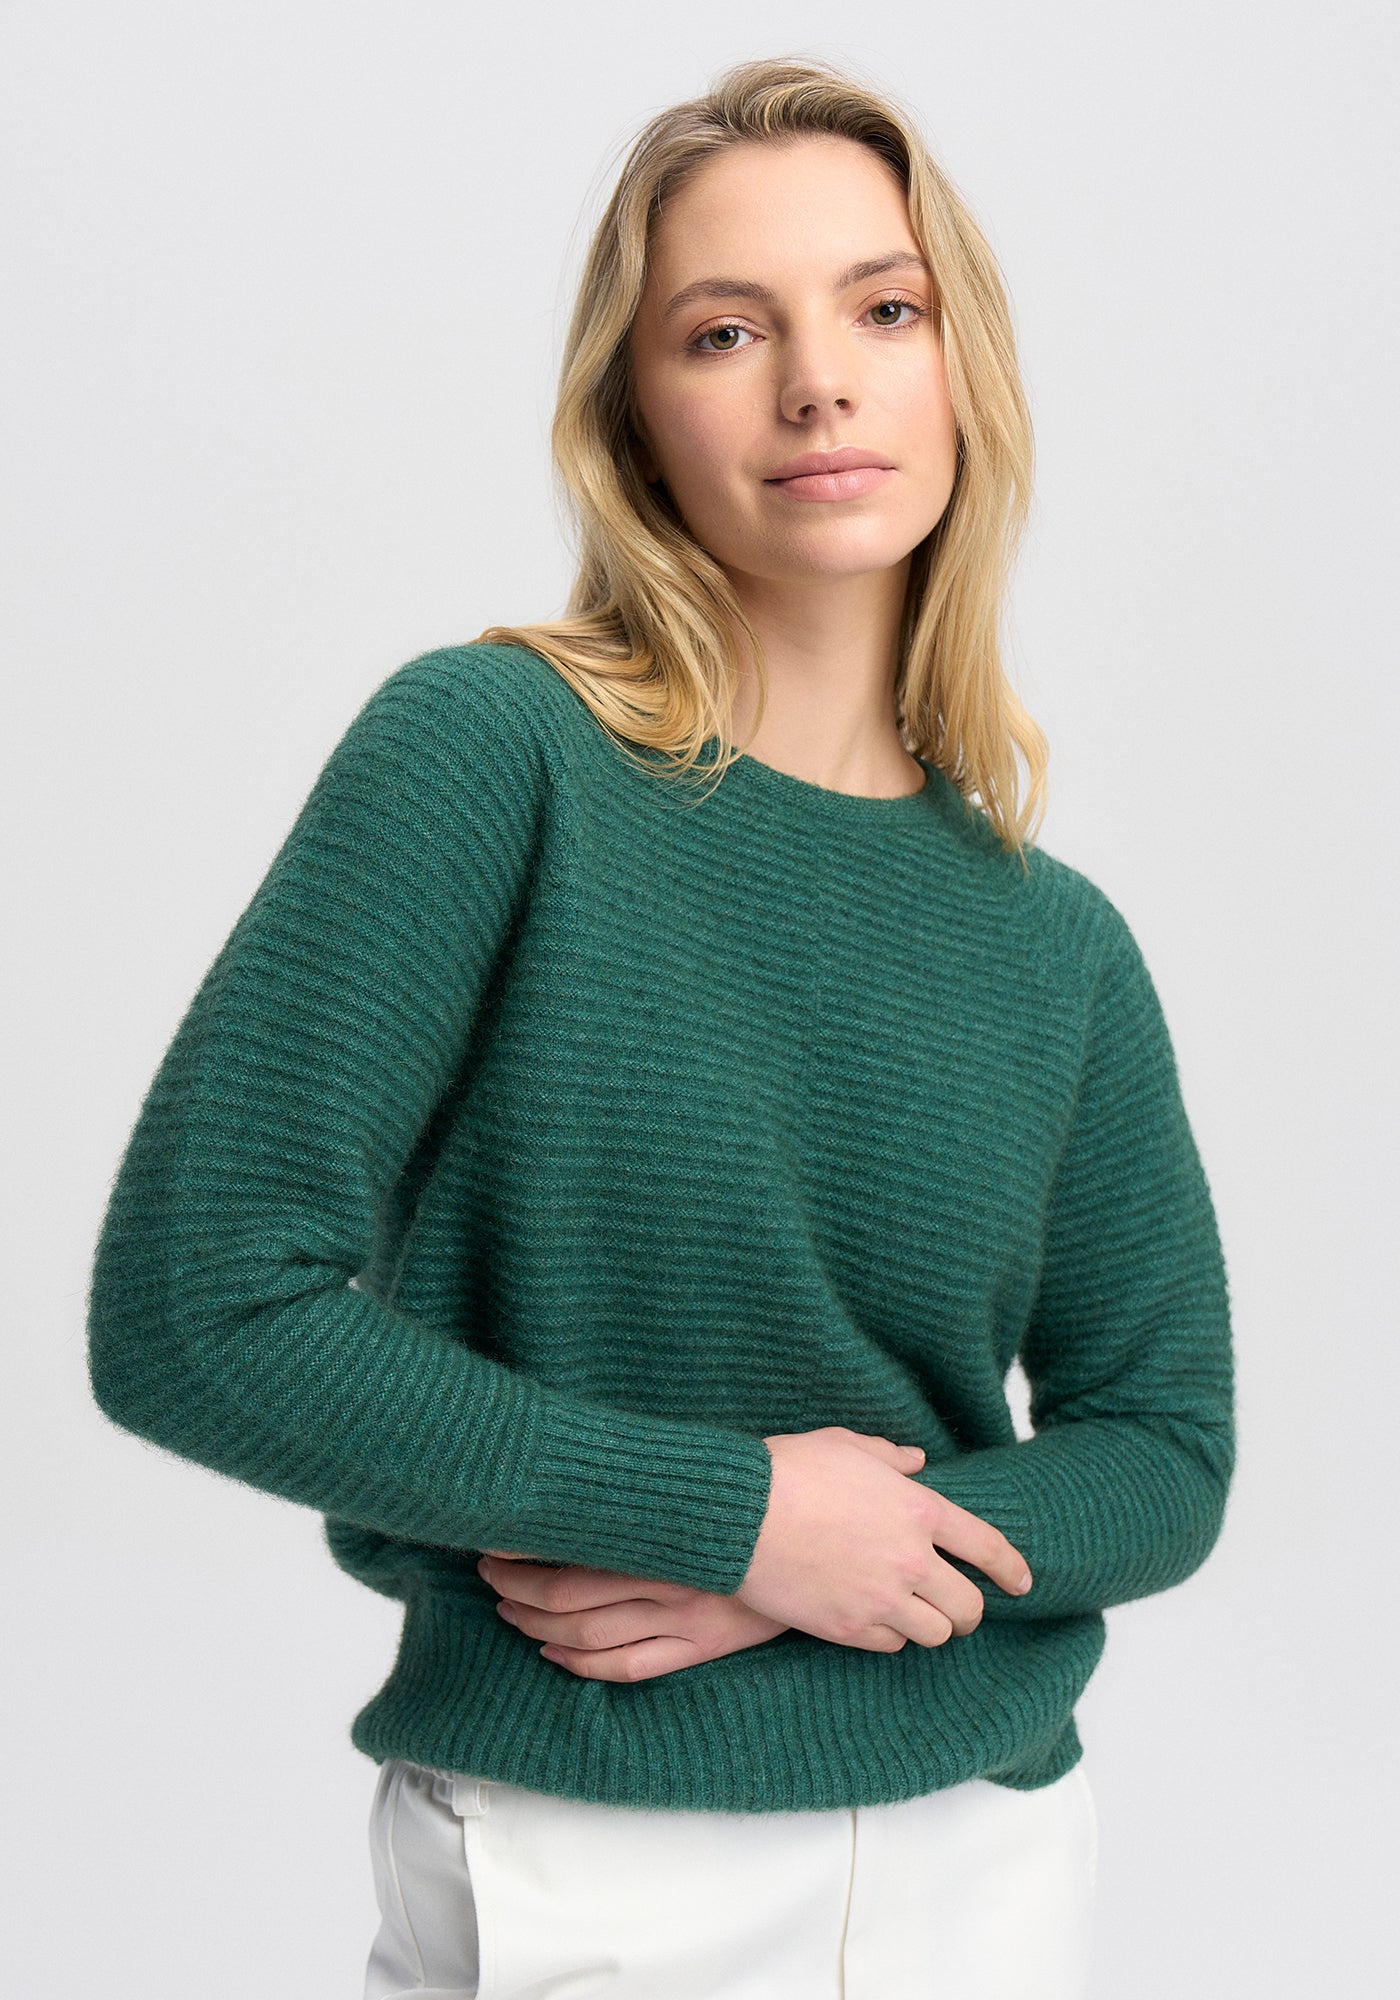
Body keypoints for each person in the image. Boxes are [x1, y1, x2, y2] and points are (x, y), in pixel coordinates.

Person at [85, 53, 1235, 2000]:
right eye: (726, 330)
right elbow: (198, 1310)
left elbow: (1165, 1452)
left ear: (964, 366)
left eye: (884, 308)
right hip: (593, 1856)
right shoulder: (494, 754)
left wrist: (848, 1547)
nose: (819, 384)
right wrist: (734, 1514)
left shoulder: (1061, 942)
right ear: (635, 416)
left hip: (988, 1851)